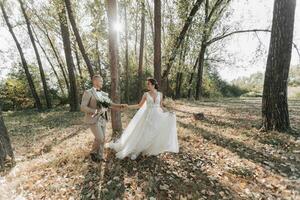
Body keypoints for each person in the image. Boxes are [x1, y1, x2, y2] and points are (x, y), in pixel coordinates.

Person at [106, 78, 179, 160]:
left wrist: (168, 112)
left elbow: (161, 106)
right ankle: (137, 150)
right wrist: (128, 106)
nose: (147, 85)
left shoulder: (160, 94)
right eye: (147, 84)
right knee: (144, 133)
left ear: (153, 84)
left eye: (148, 84)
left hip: (158, 115)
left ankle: (150, 149)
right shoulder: (146, 94)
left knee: (155, 132)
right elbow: (139, 105)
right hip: (148, 116)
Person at [81, 75, 127, 163]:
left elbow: (110, 104)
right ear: (95, 82)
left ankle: (100, 156)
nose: (102, 83)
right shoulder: (88, 92)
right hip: (93, 118)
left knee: (102, 138)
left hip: (103, 118)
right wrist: (94, 111)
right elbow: (83, 107)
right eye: (100, 81)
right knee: (100, 138)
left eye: (102, 81)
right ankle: (93, 152)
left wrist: (120, 106)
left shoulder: (103, 94)